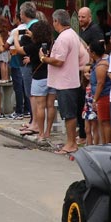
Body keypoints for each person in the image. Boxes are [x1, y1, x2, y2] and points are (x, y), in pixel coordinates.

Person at [45, 9, 89, 154]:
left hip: (65, 82)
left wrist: (44, 58)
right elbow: (84, 55)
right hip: (71, 79)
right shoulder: (73, 35)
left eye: (54, 21)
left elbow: (58, 60)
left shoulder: (64, 37)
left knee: (68, 114)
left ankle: (71, 143)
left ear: (57, 21)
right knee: (70, 113)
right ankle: (70, 142)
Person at [15, 20, 56, 142]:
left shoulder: (34, 46)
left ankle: (41, 133)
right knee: (50, 106)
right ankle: (48, 131)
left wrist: (16, 37)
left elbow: (19, 49)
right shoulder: (52, 43)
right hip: (52, 76)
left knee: (40, 106)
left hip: (39, 77)